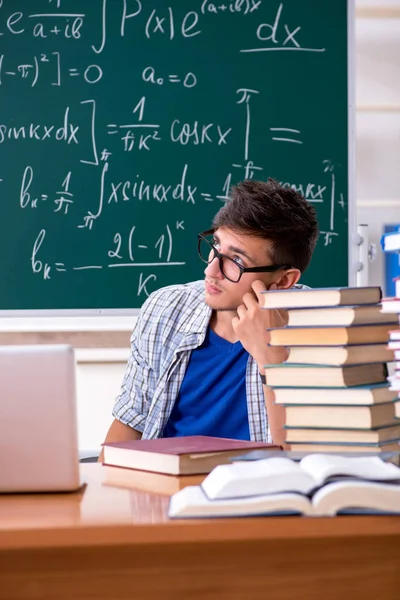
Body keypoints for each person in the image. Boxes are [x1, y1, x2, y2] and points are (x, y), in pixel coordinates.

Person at [100, 178, 319, 457]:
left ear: (284, 280)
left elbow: (298, 458)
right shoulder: (166, 309)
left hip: (263, 491)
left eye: (236, 261)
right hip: (170, 489)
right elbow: (131, 423)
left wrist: (270, 359)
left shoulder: (318, 328)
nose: (211, 271)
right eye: (215, 246)